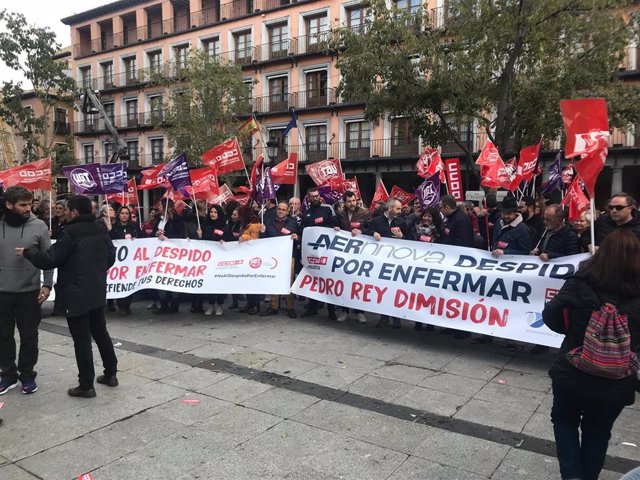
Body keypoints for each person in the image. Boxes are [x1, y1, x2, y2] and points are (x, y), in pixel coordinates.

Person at [542, 229, 640, 480]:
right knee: (598, 432)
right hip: (617, 380)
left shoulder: (580, 282)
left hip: (574, 368)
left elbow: (551, 315)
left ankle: (572, 476)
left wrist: (575, 333)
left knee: (564, 421)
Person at [18, 195, 119, 398]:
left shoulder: (70, 232)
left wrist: (29, 253)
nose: (64, 213)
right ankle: (111, 374)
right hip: (96, 289)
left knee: (81, 340)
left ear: (74, 212)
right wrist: (96, 272)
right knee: (101, 333)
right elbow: (111, 256)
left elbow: (50, 259)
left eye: (67, 210)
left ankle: (86, 385)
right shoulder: (101, 228)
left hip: (75, 292)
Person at [0, 186, 53, 395]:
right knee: (3, 336)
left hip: (29, 293)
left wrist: (48, 285)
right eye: (22, 205)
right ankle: (8, 375)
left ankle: (28, 375)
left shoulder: (39, 226)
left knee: (29, 336)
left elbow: (49, 259)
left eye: (29, 204)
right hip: (2, 293)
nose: (27, 209)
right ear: (9, 205)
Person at [528, 204, 581, 355]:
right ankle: (540, 342)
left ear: (559, 219)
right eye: (544, 218)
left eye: (548, 219)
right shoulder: (543, 231)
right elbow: (534, 245)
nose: (544, 221)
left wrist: (551, 256)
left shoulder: (569, 235)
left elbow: (573, 257)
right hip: (541, 278)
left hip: (556, 280)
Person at [334, 190, 372, 323]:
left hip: (360, 254)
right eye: (349, 201)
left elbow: (372, 229)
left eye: (353, 200)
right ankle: (345, 311)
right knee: (345, 282)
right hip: (345, 254)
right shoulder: (340, 214)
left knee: (358, 283)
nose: (352, 203)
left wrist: (362, 231)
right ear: (344, 202)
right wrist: (336, 229)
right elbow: (335, 226)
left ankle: (359, 312)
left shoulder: (365, 213)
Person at [368, 197, 406, 328]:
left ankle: (396, 318)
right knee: (383, 290)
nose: (400, 211)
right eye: (398, 208)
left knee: (396, 290)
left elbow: (411, 238)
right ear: (390, 208)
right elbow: (367, 232)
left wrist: (402, 237)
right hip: (381, 262)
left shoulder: (401, 221)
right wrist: (373, 233)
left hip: (396, 262)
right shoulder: (377, 221)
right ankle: (384, 317)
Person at [299, 187, 336, 318]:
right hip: (312, 253)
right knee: (313, 281)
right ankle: (312, 308)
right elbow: (303, 232)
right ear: (308, 198)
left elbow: (335, 225)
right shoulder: (306, 213)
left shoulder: (327, 209)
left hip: (327, 252)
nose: (315, 198)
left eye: (317, 196)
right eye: (312, 196)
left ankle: (331, 311)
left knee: (327, 281)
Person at [259, 201, 299, 318]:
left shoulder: (293, 222)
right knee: (274, 280)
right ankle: (274, 306)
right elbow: (264, 240)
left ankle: (290, 307)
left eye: (283, 209)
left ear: (287, 211)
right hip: (274, 257)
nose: (280, 211)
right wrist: (262, 233)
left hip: (288, 256)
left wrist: (297, 237)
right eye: (279, 209)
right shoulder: (268, 222)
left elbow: (300, 235)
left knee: (289, 281)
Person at [152, 200, 186, 314]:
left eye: (160, 205)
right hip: (159, 253)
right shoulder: (159, 220)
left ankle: (174, 304)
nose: (158, 207)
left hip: (173, 253)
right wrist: (156, 233)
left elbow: (181, 235)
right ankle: (163, 304)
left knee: (172, 277)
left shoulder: (177, 220)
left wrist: (166, 238)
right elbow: (151, 234)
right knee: (160, 278)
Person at [109, 206, 143, 317]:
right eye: (122, 213)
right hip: (118, 261)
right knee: (119, 282)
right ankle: (122, 306)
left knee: (130, 282)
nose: (124, 215)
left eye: (127, 213)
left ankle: (127, 305)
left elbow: (143, 239)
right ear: (118, 215)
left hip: (131, 260)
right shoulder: (113, 227)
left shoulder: (134, 227)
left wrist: (136, 239)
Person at [200, 204, 226, 316]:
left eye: (215, 212)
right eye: (211, 212)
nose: (213, 214)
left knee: (219, 282)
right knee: (209, 281)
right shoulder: (205, 225)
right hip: (208, 259)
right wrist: (200, 236)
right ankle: (211, 304)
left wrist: (224, 241)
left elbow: (229, 238)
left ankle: (219, 304)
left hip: (220, 259)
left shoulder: (224, 226)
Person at [238, 203, 262, 315]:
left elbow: (254, 239)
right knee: (247, 282)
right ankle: (249, 304)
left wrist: (244, 237)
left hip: (253, 256)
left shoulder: (254, 225)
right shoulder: (245, 224)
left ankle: (255, 305)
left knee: (254, 283)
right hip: (245, 256)